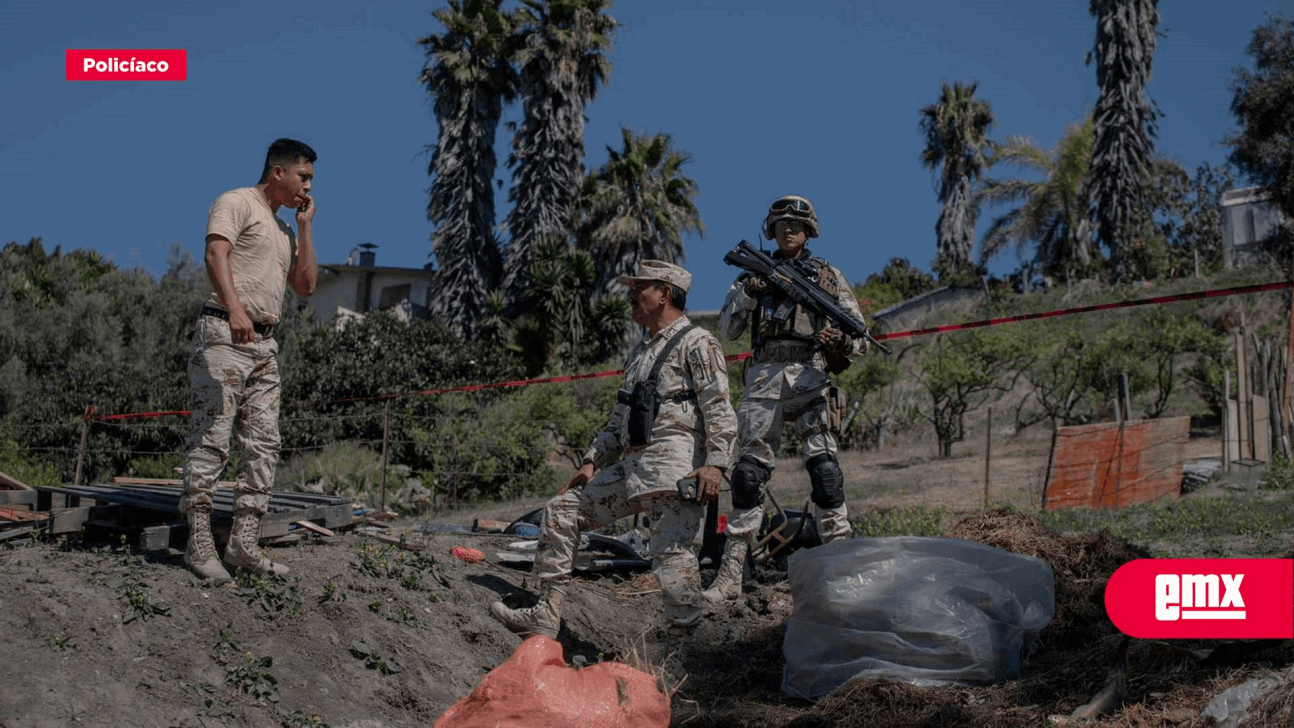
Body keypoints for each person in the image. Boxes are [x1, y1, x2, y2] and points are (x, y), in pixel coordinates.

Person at [490, 259, 737, 682]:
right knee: (563, 510)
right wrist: (591, 460)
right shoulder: (641, 352)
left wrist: (715, 464)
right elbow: (619, 416)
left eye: (638, 288)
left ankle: (682, 660)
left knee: (673, 558)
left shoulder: (699, 342)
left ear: (664, 293)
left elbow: (719, 408)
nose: (630, 296)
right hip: (634, 466)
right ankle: (545, 618)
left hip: (675, 470)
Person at [705, 195, 867, 605]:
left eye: (796, 224)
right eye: (780, 224)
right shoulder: (752, 275)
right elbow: (727, 329)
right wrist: (750, 293)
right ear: (770, 230)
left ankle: (841, 574)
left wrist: (840, 340)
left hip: (811, 374)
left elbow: (859, 336)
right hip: (764, 377)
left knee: (826, 474)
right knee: (747, 477)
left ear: (809, 230)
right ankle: (729, 575)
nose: (788, 230)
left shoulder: (828, 276)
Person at [179, 138, 318, 582]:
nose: (308, 186)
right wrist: (236, 308)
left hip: (265, 345)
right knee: (213, 436)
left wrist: (306, 227)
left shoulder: (284, 231)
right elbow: (215, 253)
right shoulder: (235, 201)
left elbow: (307, 286)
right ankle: (198, 544)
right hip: (224, 330)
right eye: (304, 176)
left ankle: (244, 544)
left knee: (264, 444)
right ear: (278, 172)